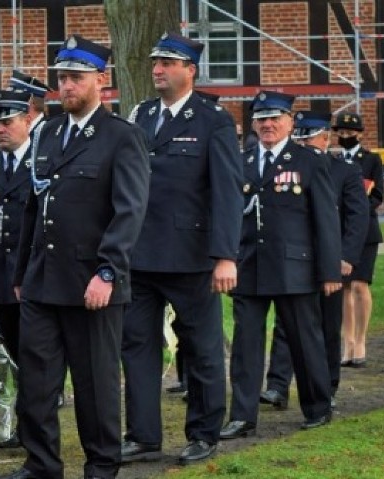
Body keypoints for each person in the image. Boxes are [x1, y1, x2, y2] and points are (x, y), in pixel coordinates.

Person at [0, 35, 150, 479]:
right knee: (37, 384)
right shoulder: (49, 134)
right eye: (62, 78)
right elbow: (32, 205)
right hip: (44, 280)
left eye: (76, 78)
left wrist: (108, 271)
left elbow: (129, 210)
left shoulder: (122, 137)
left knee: (95, 386)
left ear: (102, 80)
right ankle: (41, 465)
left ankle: (101, 466)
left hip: (92, 283)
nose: (67, 87)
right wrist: (22, 270)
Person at [120, 32, 242, 466]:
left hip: (190, 255)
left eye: (168, 63)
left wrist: (225, 255)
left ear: (190, 70)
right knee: (136, 346)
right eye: (155, 62)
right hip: (140, 254)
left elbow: (228, 192)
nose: (157, 69)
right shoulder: (142, 114)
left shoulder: (213, 119)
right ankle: (142, 435)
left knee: (201, 346)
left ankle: (204, 432)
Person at [218, 91, 341, 440]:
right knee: (246, 346)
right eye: (262, 119)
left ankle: (318, 407)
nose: (268, 125)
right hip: (250, 266)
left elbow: (325, 220)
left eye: (275, 118)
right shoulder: (240, 161)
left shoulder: (310, 161)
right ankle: (242, 416)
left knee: (305, 341)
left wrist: (330, 271)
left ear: (290, 121)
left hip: (294, 268)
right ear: (254, 123)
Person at [260, 111, 369, 411]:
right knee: (286, 325)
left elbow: (357, 216)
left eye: (308, 137)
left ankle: (328, 385)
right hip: (294, 261)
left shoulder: (344, 170)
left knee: (327, 324)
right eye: (299, 137)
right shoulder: (285, 166)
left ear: (325, 138)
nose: (302, 142)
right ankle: (277, 385)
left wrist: (345, 256)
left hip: (328, 260)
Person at [0, 87, 35, 449]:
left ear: (27, 120)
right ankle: (21, 424)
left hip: (32, 277)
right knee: (13, 355)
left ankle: (32, 428)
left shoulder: (41, 163)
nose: (0, 129)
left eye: (7, 121)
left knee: (36, 358)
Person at [332, 112, 384, 368]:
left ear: (360, 134)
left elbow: (378, 196)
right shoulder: (333, 159)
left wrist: (358, 209)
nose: (345, 137)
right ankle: (348, 341)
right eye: (340, 133)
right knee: (343, 288)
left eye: (349, 133)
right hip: (339, 230)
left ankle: (361, 340)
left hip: (366, 231)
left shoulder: (372, 159)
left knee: (360, 286)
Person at [9, 69, 53, 139]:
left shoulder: (49, 132)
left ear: (30, 100)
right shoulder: (11, 132)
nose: (11, 102)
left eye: (16, 97)